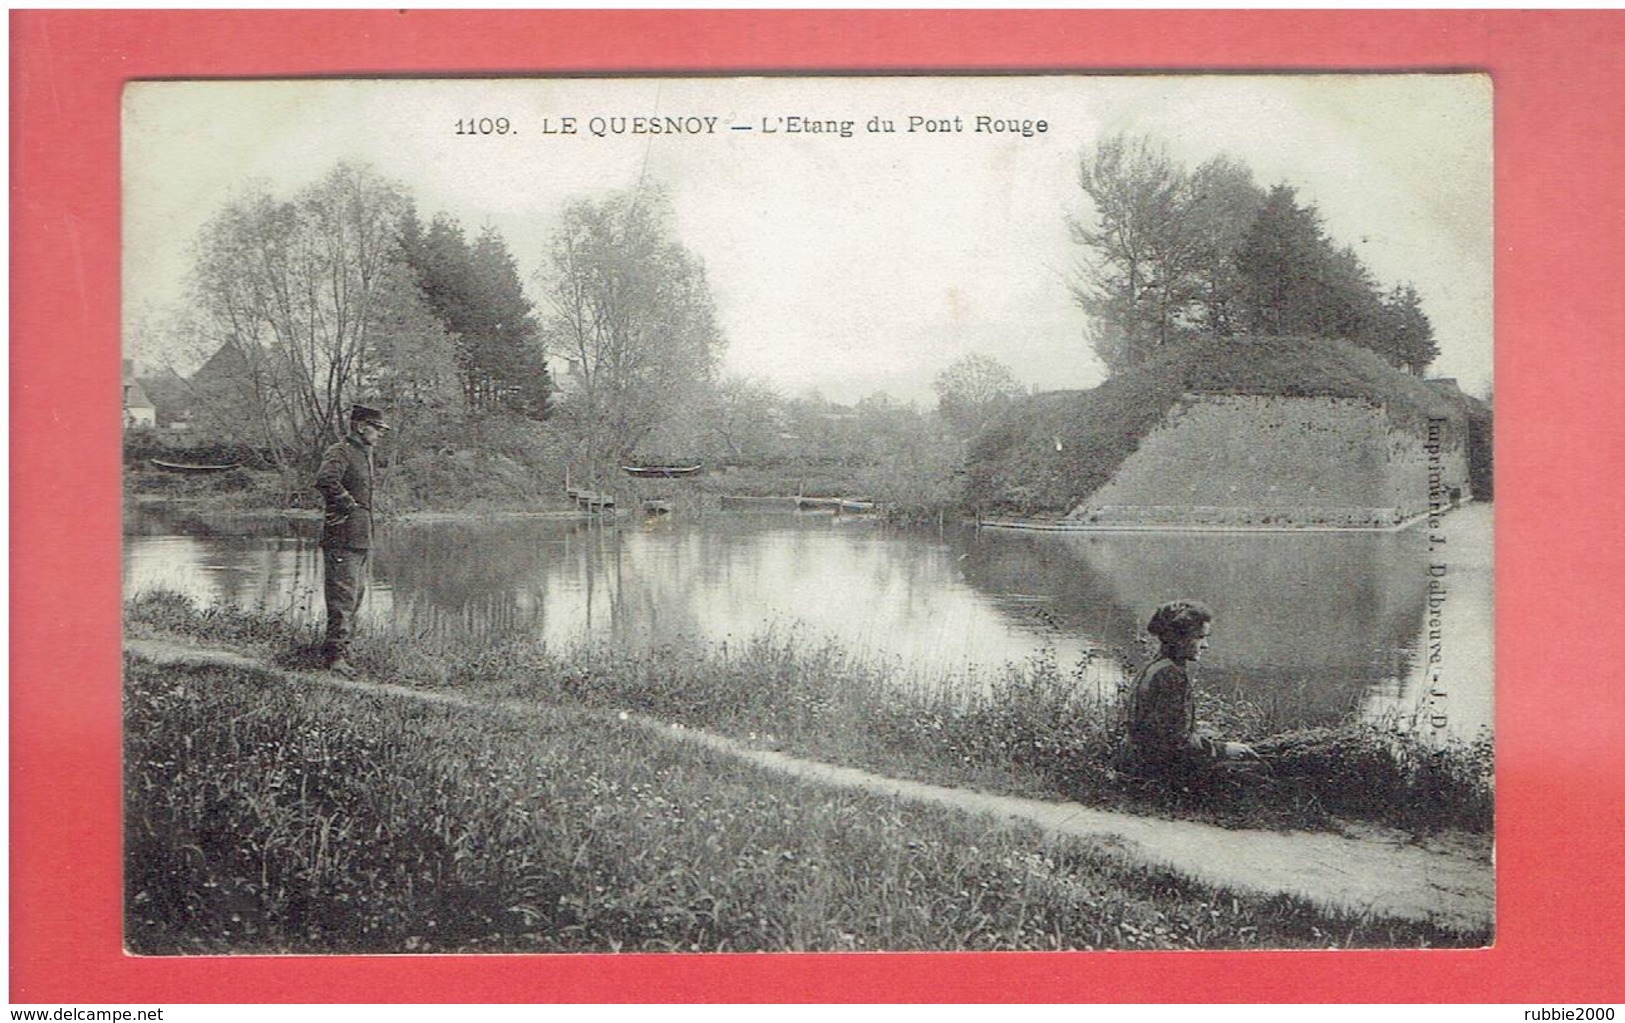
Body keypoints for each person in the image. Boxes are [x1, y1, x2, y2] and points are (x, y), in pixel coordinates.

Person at [1124, 599, 1257, 784]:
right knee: (1259, 769)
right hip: (1159, 772)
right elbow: (1175, 742)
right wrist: (1222, 749)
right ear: (1179, 638)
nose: (1205, 646)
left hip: (1140, 763)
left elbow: (1164, 732)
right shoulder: (1171, 675)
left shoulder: (1155, 667)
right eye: (1200, 637)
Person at [313, 403, 391, 676]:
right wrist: (349, 505)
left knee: (355, 597)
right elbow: (325, 480)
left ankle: (343, 651)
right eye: (377, 428)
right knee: (341, 598)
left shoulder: (363, 453)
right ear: (361, 426)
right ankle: (334, 658)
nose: (380, 434)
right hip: (342, 537)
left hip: (359, 537)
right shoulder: (341, 451)